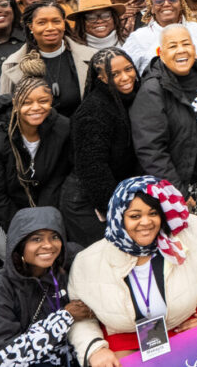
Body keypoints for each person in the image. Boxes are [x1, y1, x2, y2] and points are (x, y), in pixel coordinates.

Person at [66, 176, 197, 365]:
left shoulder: (189, 232)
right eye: (135, 216)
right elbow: (80, 315)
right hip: (126, 338)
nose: (146, 222)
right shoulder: (89, 261)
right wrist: (95, 349)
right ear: (118, 217)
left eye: (153, 213)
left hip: (184, 325)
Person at [0, 60, 73, 260]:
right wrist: (28, 227)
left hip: (38, 207)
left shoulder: (62, 127)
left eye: (43, 101)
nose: (36, 108)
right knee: (23, 260)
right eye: (27, 102)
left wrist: (42, 219)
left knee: (53, 257)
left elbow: (57, 177)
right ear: (15, 102)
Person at [0, 206, 88, 367]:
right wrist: (64, 318)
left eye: (54, 237)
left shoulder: (69, 266)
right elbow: (2, 358)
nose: (48, 245)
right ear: (19, 244)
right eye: (36, 239)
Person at [130, 25, 197, 213]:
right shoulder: (153, 90)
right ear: (160, 52)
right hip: (179, 187)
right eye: (173, 46)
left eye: (186, 44)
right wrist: (177, 192)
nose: (181, 50)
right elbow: (151, 149)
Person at [61, 47, 142, 245]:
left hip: (114, 191)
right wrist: (118, 209)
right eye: (115, 74)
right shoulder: (93, 111)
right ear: (102, 78)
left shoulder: (132, 98)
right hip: (86, 200)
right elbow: (93, 169)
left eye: (129, 69)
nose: (125, 77)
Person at [1, 1, 94, 117]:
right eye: (41, 23)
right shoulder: (11, 65)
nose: (50, 28)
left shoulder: (91, 58)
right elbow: (6, 113)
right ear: (31, 27)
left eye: (56, 21)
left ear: (64, 24)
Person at [120, 0, 197, 72]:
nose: (166, 4)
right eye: (159, 1)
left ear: (181, 4)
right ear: (152, 8)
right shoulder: (138, 38)